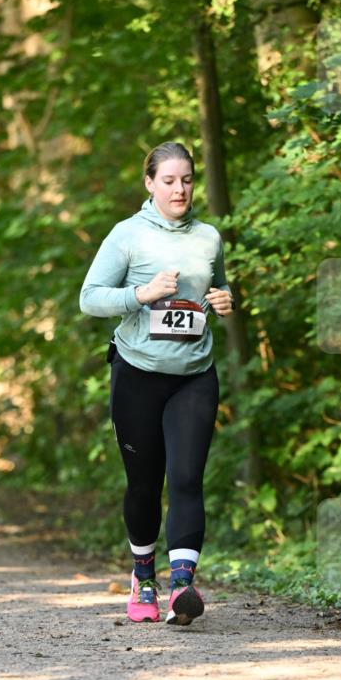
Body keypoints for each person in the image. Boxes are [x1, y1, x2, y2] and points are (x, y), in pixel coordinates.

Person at [80, 141, 235, 626]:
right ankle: (144, 574)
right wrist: (141, 294)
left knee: (187, 479)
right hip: (138, 375)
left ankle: (182, 587)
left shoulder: (208, 237)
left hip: (194, 376)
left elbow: (218, 289)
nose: (179, 189)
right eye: (168, 180)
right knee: (145, 485)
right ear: (150, 184)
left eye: (186, 179)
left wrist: (224, 301)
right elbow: (90, 298)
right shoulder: (128, 236)